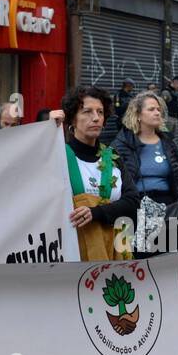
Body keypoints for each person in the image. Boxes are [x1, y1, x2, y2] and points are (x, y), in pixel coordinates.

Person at [62, 84, 140, 260]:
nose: (96, 118)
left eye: (100, 112)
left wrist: (96, 213)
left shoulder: (112, 156)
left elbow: (133, 202)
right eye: (87, 112)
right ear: (72, 119)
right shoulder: (60, 157)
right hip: (77, 256)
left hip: (116, 252)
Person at [111, 91, 178, 257]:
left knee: (169, 262)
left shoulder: (167, 142)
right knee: (141, 263)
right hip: (137, 211)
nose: (157, 112)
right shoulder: (122, 143)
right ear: (138, 115)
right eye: (151, 109)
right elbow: (113, 180)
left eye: (158, 109)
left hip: (169, 210)